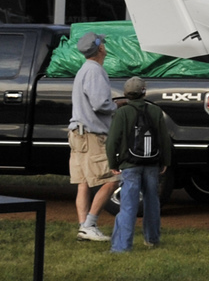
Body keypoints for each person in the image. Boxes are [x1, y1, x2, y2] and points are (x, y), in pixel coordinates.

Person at [106, 76, 173, 252]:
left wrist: (113, 162)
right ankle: (152, 239)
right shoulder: (156, 111)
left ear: (126, 94)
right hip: (152, 163)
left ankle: (122, 246)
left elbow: (113, 140)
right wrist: (165, 160)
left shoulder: (122, 113)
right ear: (144, 92)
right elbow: (164, 139)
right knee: (152, 201)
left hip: (130, 164)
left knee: (128, 205)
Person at [67, 32, 118, 242]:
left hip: (77, 132)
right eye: (103, 43)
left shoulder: (83, 70)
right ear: (100, 49)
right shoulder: (95, 71)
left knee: (83, 182)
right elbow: (100, 104)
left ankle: (83, 227)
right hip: (92, 135)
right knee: (112, 179)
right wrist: (117, 106)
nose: (105, 45)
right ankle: (90, 224)